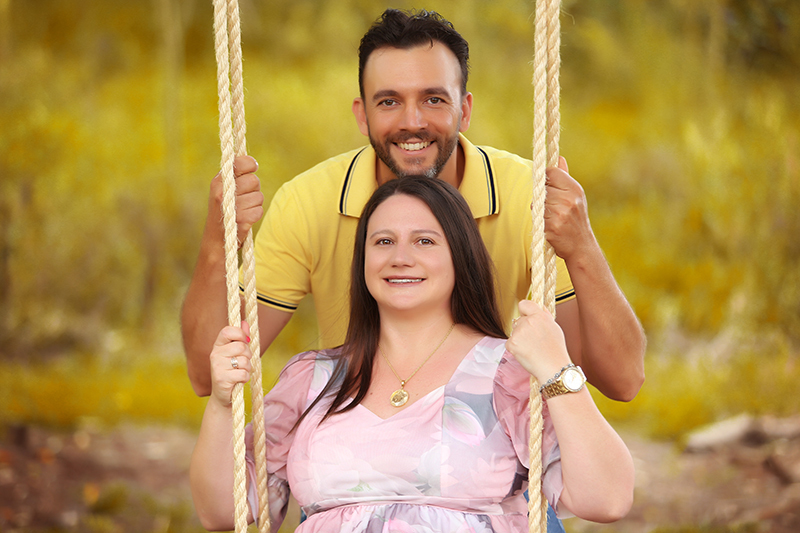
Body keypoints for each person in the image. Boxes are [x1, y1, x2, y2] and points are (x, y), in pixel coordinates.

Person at [181, 9, 645, 401]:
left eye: (433, 99)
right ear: (362, 115)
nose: (413, 122)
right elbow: (207, 374)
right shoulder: (309, 202)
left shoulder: (525, 195)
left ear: (464, 110)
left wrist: (582, 248)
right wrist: (218, 242)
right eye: (389, 102)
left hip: (488, 448)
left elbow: (622, 380)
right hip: (358, 447)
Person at [190, 177, 635, 532]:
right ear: (363, 260)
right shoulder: (312, 380)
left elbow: (607, 499)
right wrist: (222, 405)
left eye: (424, 241)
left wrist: (558, 370)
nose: (400, 257)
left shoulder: (507, 371)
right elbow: (222, 512)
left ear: (460, 256)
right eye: (383, 242)